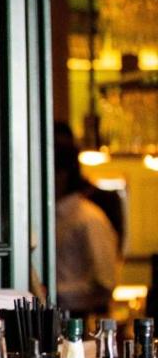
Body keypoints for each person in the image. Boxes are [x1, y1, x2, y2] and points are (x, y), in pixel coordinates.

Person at [54, 129, 121, 318]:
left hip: (79, 318)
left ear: (62, 175)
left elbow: (106, 283)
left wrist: (56, 293)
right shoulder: (50, 218)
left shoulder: (88, 218)